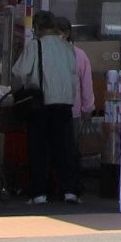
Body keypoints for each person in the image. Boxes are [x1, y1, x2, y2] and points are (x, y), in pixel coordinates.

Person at [12, 13, 87, 205]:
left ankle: (40, 193)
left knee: (39, 149)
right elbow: (73, 75)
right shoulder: (67, 47)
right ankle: (69, 191)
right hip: (65, 104)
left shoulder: (35, 46)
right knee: (64, 148)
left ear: (37, 27)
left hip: (41, 104)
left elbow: (19, 73)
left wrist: (20, 89)